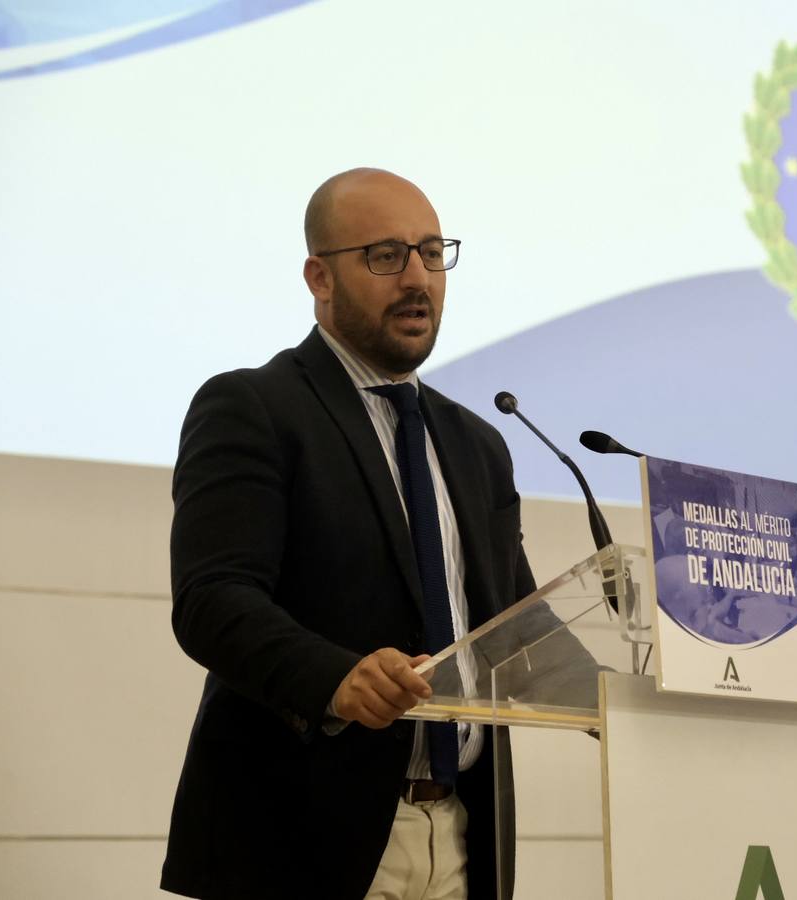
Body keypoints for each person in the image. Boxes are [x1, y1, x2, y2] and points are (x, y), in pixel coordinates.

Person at [161, 168, 533, 900]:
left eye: (432, 252)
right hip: (301, 840)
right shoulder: (254, 408)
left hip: (462, 837)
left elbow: (515, 629)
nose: (418, 278)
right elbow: (212, 599)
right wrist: (335, 678)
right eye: (386, 256)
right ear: (319, 277)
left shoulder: (478, 443)